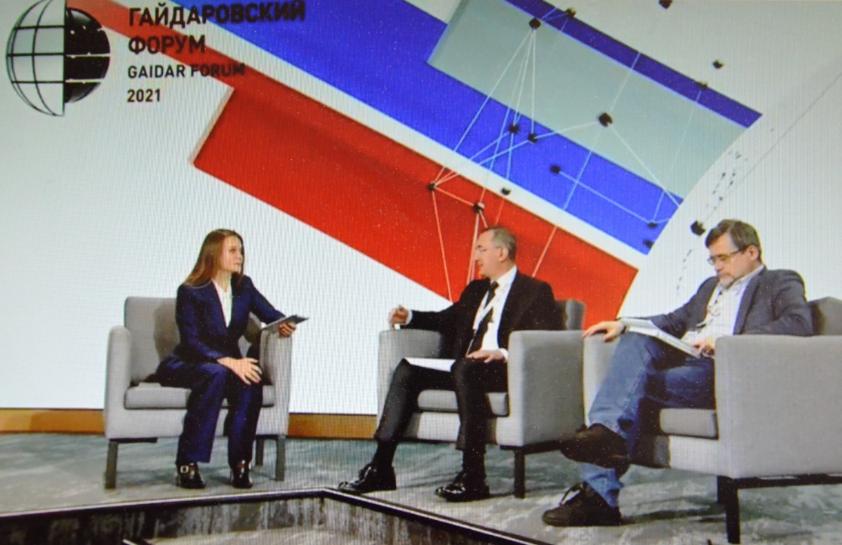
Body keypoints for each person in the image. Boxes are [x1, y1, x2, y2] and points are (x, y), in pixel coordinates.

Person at [542, 219, 813, 526]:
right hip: (686, 362)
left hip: (723, 372)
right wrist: (624, 323)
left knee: (623, 391)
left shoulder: (780, 281)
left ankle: (599, 495)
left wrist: (726, 342)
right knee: (635, 341)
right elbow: (673, 320)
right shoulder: (710, 287)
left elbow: (798, 323)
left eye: (723, 258)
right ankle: (606, 441)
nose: (717, 267)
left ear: (751, 252)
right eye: (712, 260)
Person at [338, 226, 563, 502]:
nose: (475, 257)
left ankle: (473, 476)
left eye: (481, 249)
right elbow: (447, 319)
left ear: (501, 253)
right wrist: (410, 317)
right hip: (463, 368)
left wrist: (503, 352)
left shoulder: (535, 290)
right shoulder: (476, 290)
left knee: (466, 368)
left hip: (504, 369)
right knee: (408, 369)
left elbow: (548, 338)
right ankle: (381, 467)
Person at [156, 229, 296, 489]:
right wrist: (229, 361)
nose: (239, 256)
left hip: (226, 366)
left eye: (241, 250)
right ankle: (187, 462)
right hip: (188, 363)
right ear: (213, 254)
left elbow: (270, 313)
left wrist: (283, 323)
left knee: (251, 380)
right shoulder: (190, 291)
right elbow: (191, 341)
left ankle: (241, 464)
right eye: (232, 250)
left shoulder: (244, 287)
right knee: (216, 373)